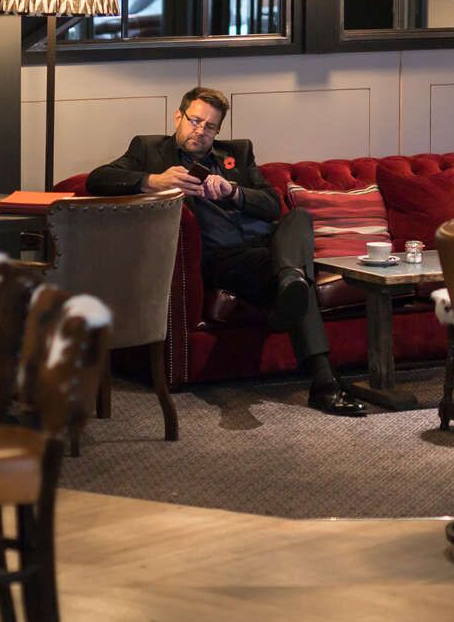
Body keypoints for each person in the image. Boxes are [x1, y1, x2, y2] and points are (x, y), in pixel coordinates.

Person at [84, 87, 366, 417]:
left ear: (218, 131)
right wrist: (154, 180)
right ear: (178, 116)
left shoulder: (237, 153)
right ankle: (324, 381)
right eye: (195, 121)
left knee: (299, 220)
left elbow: (272, 204)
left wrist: (233, 191)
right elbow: (97, 179)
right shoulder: (148, 149)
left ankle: (290, 283)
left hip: (265, 248)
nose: (200, 131)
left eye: (210, 127)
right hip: (222, 256)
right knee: (298, 277)